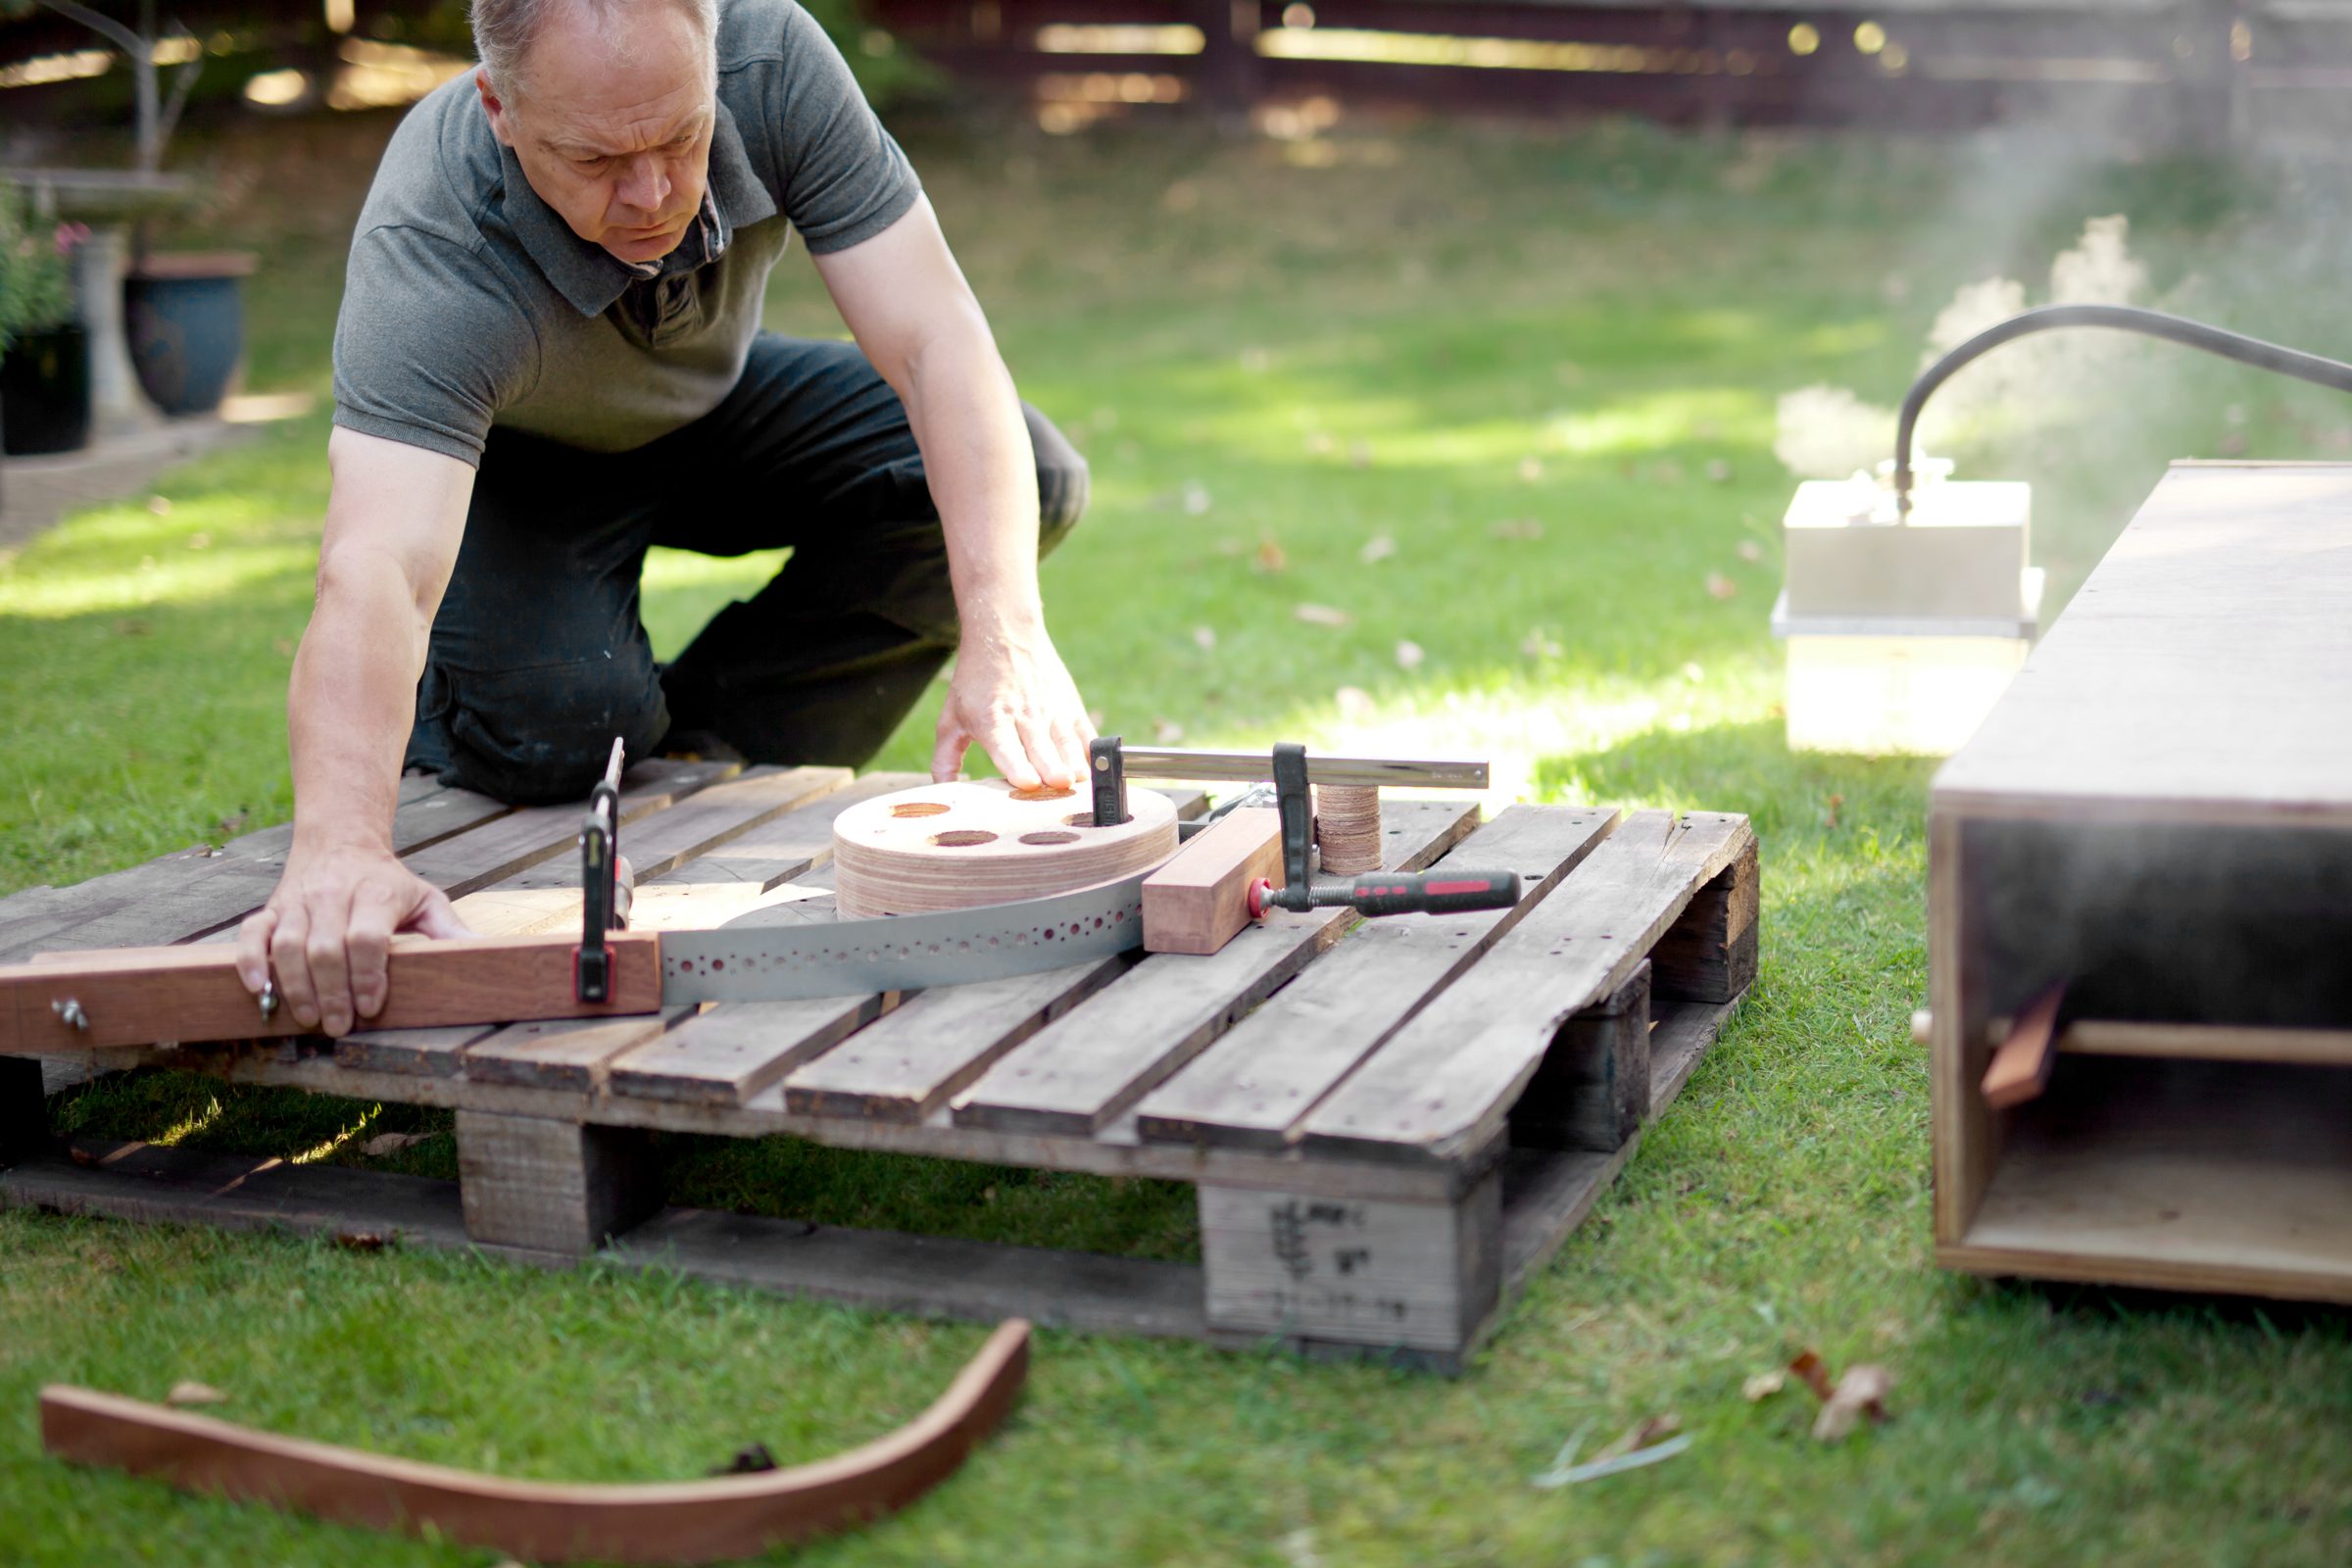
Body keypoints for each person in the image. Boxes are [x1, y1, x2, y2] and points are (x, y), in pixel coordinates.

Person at [233, 0, 1095, 1037]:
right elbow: (376, 566)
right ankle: (490, 710)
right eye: (597, 160)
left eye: (682, 140)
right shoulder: (435, 244)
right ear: (500, 108)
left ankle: (709, 753)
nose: (652, 197)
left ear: (713, 60)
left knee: (1030, 479)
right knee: (567, 726)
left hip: (709, 406)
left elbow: (934, 342)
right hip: (521, 457)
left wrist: (1006, 627)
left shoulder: (772, 63)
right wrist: (338, 846)